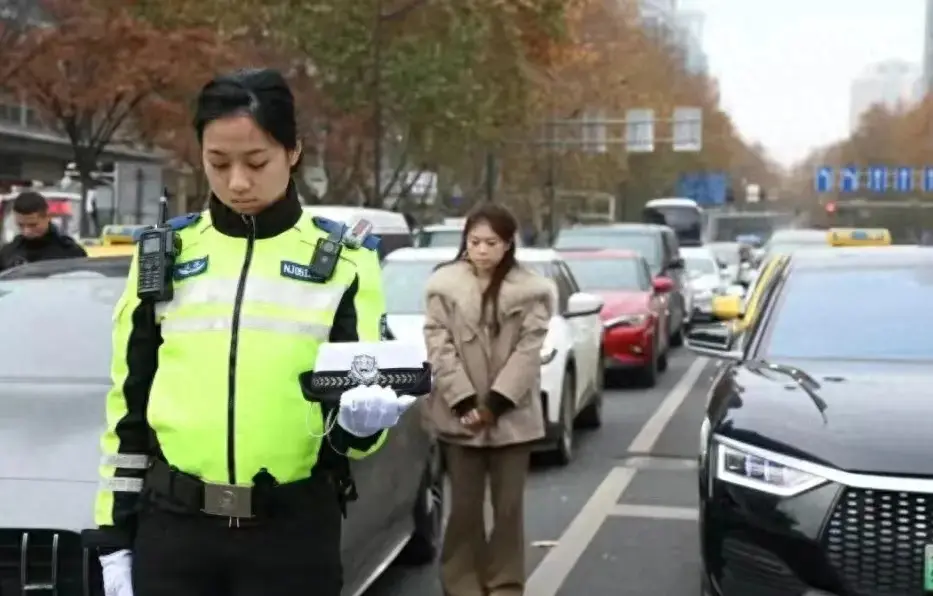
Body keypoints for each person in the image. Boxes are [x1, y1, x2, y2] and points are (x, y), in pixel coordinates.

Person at [88, 68, 414, 596]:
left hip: (290, 536)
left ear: (293, 151)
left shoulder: (345, 263)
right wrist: (113, 534)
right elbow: (128, 404)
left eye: (256, 162)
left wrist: (360, 426)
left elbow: (355, 419)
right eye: (218, 163)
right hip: (174, 533)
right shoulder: (165, 256)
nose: (237, 182)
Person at [422, 202, 553, 596]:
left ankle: (505, 583)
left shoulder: (532, 291)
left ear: (508, 244)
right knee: (464, 508)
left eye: (491, 242)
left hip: (512, 417)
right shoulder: (444, 287)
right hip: (457, 416)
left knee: (508, 509)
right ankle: (461, 582)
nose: (481, 249)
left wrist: (495, 405)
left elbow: (529, 352)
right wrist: (464, 403)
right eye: (474, 241)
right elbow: (438, 345)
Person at [0, 190, 86, 270]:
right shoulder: (8, 253)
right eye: (21, 225)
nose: (27, 232)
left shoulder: (71, 253)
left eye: (33, 225)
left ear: (47, 217)